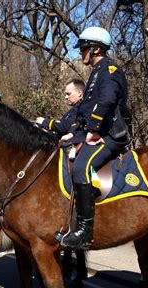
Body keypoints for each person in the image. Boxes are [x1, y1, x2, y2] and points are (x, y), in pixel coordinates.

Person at [59, 26, 129, 250]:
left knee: (81, 167)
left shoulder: (109, 70)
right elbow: (87, 109)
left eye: (84, 49)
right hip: (93, 132)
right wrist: (74, 132)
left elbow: (107, 101)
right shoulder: (96, 72)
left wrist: (94, 130)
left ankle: (84, 232)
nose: (81, 53)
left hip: (109, 135)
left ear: (96, 48)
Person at [35, 78, 85, 144]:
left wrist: (45, 122)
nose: (66, 97)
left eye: (68, 94)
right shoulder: (74, 109)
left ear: (79, 93)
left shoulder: (80, 109)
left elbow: (64, 127)